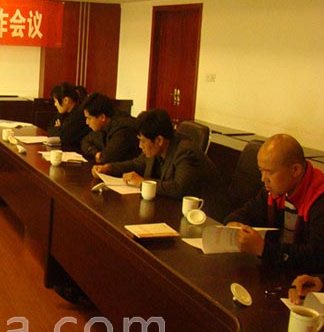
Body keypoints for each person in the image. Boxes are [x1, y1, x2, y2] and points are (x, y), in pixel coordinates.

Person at [93, 109, 228, 220]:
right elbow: (136, 164)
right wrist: (108, 168)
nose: (140, 146)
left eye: (143, 141)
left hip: (204, 216)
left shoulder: (185, 151)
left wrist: (143, 183)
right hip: (173, 209)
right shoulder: (157, 149)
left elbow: (179, 188)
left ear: (159, 140)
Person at [225, 134, 324, 271]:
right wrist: (234, 224)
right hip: (276, 267)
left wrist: (263, 248)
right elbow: (248, 211)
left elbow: (317, 257)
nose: (263, 179)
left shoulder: (319, 197)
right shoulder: (275, 188)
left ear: (295, 170)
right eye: (261, 171)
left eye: (269, 172)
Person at [79, 92, 140, 164]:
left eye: (89, 118)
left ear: (102, 117)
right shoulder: (103, 126)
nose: (87, 122)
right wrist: (96, 153)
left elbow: (106, 158)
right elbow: (85, 141)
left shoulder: (122, 130)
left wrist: (101, 156)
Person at [46, 82, 89, 151]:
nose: (55, 104)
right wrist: (60, 129)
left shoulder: (79, 115)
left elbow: (63, 138)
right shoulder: (63, 113)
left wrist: (58, 128)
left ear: (66, 100)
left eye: (56, 101)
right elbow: (49, 128)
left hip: (77, 152)